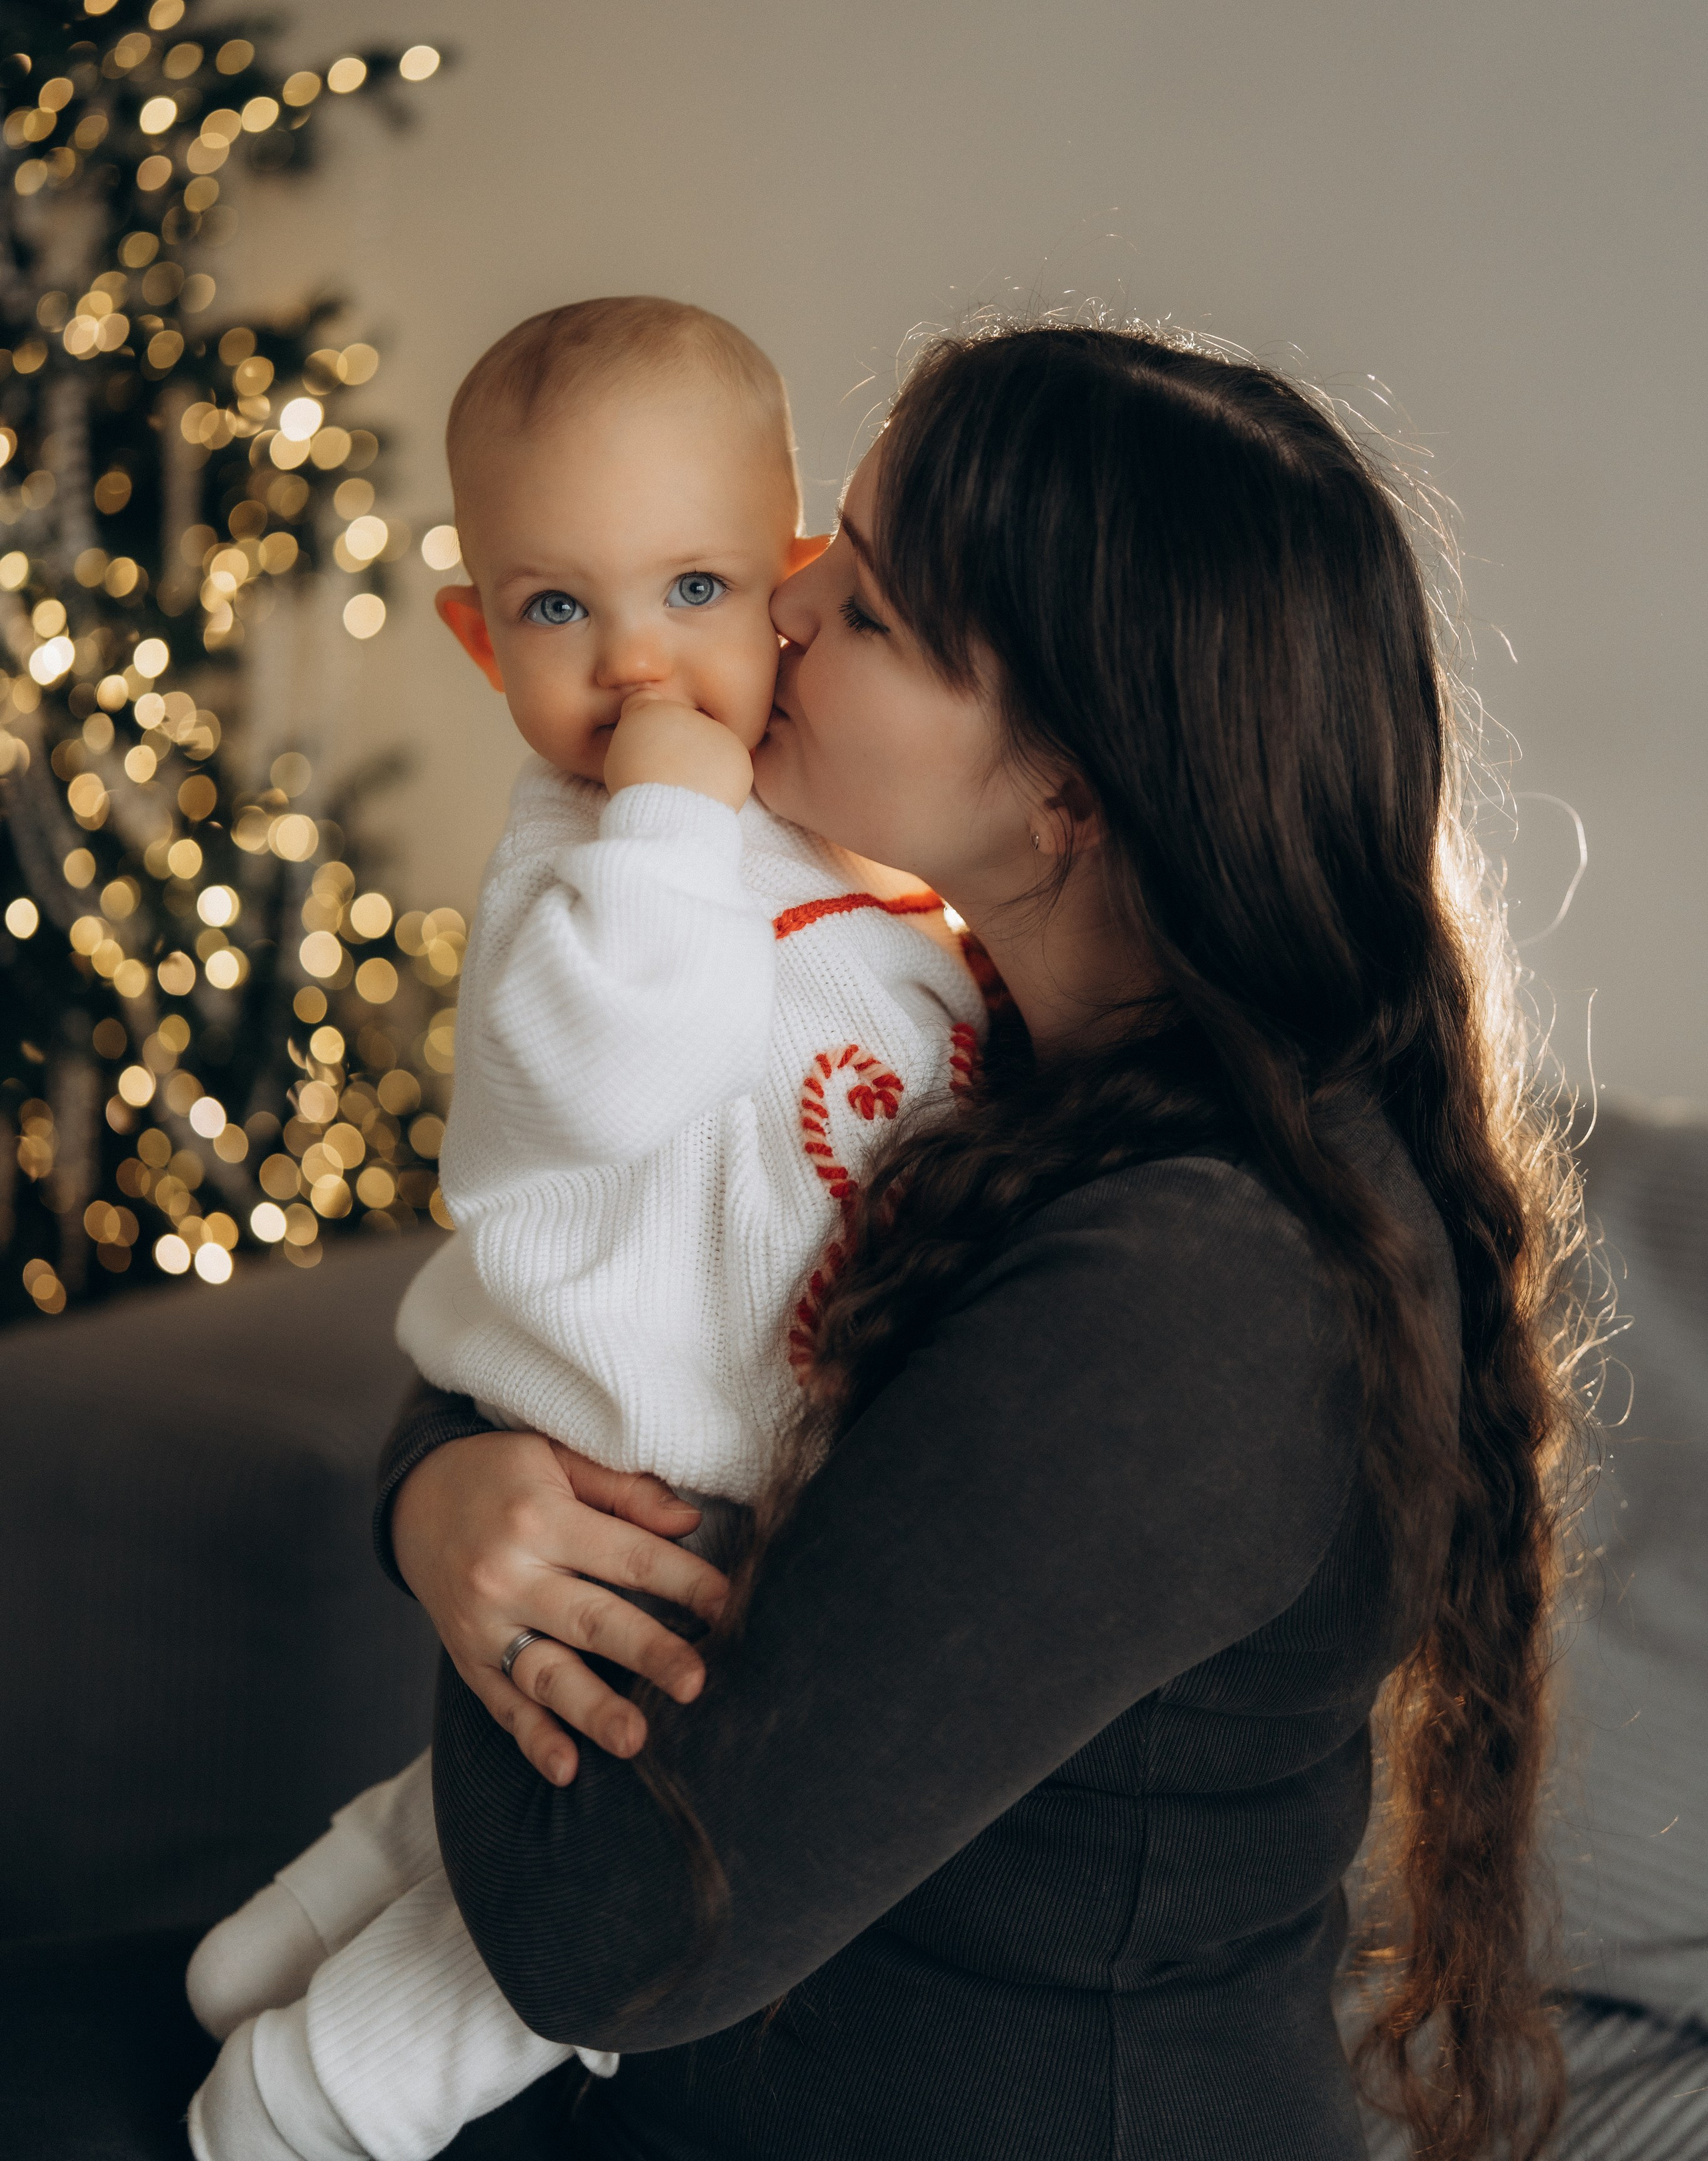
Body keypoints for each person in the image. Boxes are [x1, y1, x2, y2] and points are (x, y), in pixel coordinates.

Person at [379, 320, 1584, 2161]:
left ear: (1065, 795)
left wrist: (479, 1479)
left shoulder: (1200, 1289)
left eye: (864, 606)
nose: (779, 605)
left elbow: (608, 1933)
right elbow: (619, 1286)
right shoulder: (974, 1046)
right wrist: (444, 1484)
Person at [183, 298, 988, 2161]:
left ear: (791, 592)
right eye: (559, 607)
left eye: (694, 588)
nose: (635, 659)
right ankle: (292, 2105)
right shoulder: (598, 853)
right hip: (651, 1480)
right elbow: (621, 1074)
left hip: (726, 1469)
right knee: (626, 1837)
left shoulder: (849, 851)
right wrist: (667, 827)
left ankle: (302, 1919)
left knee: (517, 1782)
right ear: (482, 640)